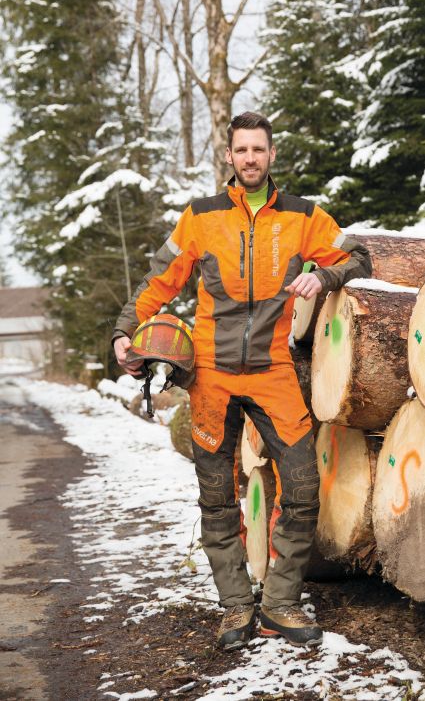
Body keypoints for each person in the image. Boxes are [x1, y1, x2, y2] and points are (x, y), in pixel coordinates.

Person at [113, 111, 372, 650]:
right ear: (228, 157)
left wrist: (324, 274)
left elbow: (360, 257)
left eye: (259, 149)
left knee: (302, 488)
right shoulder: (201, 217)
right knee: (217, 499)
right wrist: (123, 331)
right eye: (242, 150)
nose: (250, 158)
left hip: (274, 371)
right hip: (210, 375)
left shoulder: (303, 217)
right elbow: (160, 280)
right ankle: (235, 609)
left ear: (271, 156)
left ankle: (279, 605)